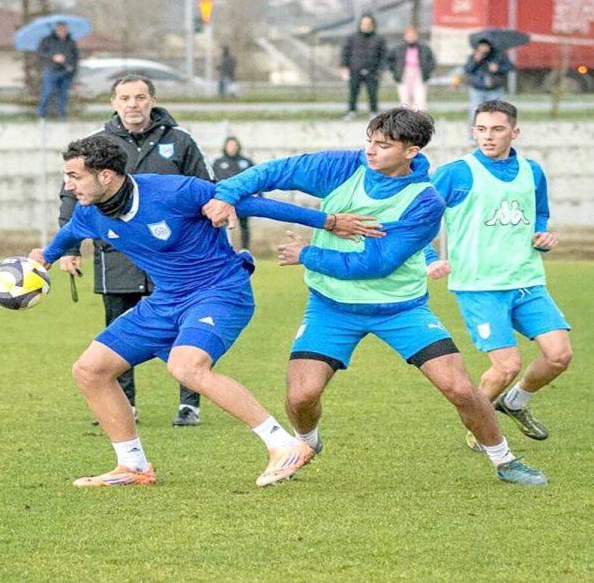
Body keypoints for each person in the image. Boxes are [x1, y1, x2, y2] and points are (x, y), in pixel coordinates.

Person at [203, 107, 547, 485]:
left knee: (460, 388)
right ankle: (305, 445)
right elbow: (275, 171)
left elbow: (377, 263)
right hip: (331, 305)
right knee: (301, 397)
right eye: (370, 141)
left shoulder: (425, 200)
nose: (370, 150)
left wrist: (308, 255)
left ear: (411, 151)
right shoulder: (342, 167)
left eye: (383, 145)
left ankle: (504, 460)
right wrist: (228, 194)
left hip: (401, 309)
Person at [32, 135, 382, 487]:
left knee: (186, 366)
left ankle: (284, 445)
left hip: (219, 291)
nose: (68, 185)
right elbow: (69, 234)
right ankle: (133, 466)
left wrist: (329, 222)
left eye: (74, 176)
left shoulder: (174, 191)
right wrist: (45, 258)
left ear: (106, 176)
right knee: (90, 370)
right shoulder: (89, 212)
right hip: (166, 301)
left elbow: (250, 204)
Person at [58, 74, 212, 426]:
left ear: (152, 100)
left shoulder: (180, 141)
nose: (133, 104)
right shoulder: (94, 145)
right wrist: (68, 247)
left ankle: (189, 404)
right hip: (117, 255)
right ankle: (125, 404)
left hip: (173, 258)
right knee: (119, 332)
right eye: (125, 98)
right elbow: (71, 196)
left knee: (184, 329)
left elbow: (205, 192)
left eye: (140, 97)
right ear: (113, 103)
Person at [426, 100, 572, 451]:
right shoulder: (455, 173)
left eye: (497, 129)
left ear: (514, 132)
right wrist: (429, 258)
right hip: (480, 287)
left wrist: (542, 237)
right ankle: (481, 430)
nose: (488, 136)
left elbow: (539, 215)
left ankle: (514, 402)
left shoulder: (532, 171)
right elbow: (418, 219)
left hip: (527, 281)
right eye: (481, 129)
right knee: (506, 367)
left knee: (559, 356)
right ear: (473, 131)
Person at [211, 136, 256, 251]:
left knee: (244, 225)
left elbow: (256, 179)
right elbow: (212, 180)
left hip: (243, 199)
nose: (232, 148)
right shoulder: (218, 162)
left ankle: (245, 250)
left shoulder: (246, 162)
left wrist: (258, 194)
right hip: (224, 199)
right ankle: (225, 249)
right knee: (223, 225)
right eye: (230, 145)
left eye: (234, 145)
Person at [340, 13, 387, 120]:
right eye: (364, 23)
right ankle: (351, 111)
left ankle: (373, 112)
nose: (366, 26)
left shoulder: (379, 38)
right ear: (360, 24)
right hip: (355, 69)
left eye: (369, 24)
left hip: (373, 70)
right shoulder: (352, 37)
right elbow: (346, 52)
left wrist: (381, 69)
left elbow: (384, 55)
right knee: (353, 92)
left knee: (372, 93)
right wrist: (343, 66)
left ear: (373, 24)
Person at [463, 39, 513, 131]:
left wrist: (498, 68)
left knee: (496, 115)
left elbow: (510, 67)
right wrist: (475, 61)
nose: (483, 48)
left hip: (494, 90)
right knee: (475, 114)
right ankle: (472, 136)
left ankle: (495, 135)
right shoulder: (473, 56)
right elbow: (467, 69)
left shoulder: (498, 56)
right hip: (477, 90)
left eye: (485, 46)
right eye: (481, 46)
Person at [36, 21, 79, 119]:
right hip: (52, 70)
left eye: (64, 29)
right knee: (47, 92)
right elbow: (40, 53)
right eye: (60, 28)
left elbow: (76, 56)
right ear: (56, 29)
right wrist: (53, 57)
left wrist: (72, 66)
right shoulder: (47, 40)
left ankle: (62, 115)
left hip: (67, 71)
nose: (62, 31)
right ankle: (41, 114)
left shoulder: (71, 42)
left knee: (63, 94)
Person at [387, 26, 436, 111]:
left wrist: (427, 71)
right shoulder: (398, 49)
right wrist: (395, 72)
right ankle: (406, 117)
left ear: (417, 36)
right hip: (403, 74)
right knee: (405, 99)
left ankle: (419, 116)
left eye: (413, 35)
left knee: (420, 98)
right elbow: (390, 61)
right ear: (405, 36)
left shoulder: (424, 48)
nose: (411, 37)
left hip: (419, 74)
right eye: (409, 35)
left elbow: (431, 61)